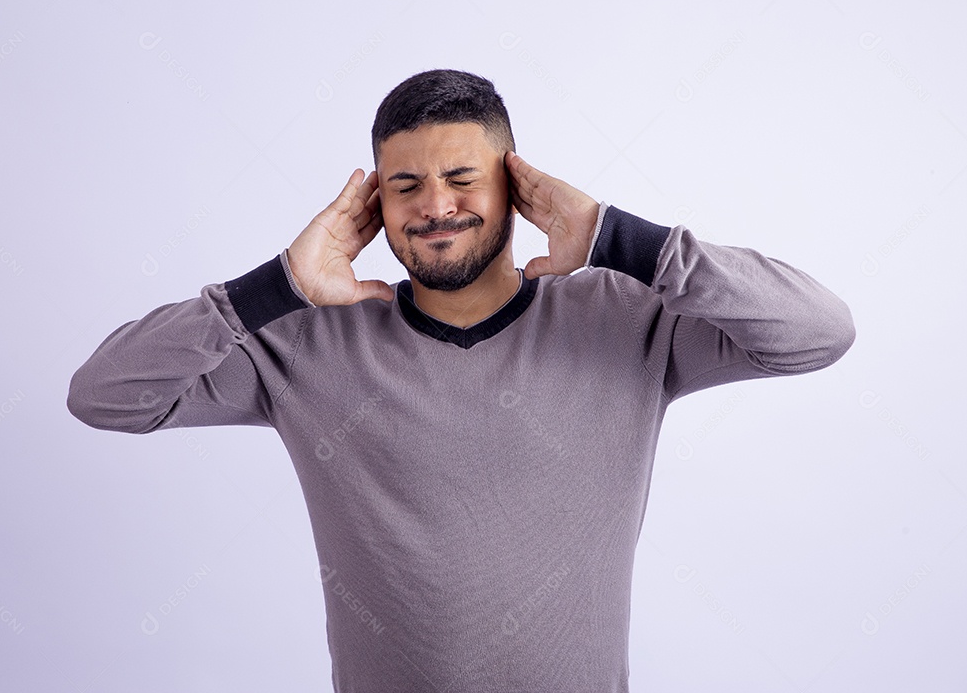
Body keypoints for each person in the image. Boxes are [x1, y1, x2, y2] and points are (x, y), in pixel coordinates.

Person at [68, 69, 855, 692]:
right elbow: (105, 395)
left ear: (514, 184)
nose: (435, 206)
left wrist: (623, 239)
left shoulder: (624, 320)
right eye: (406, 186)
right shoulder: (305, 345)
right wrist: (275, 285)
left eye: (460, 177)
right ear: (376, 203)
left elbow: (818, 332)